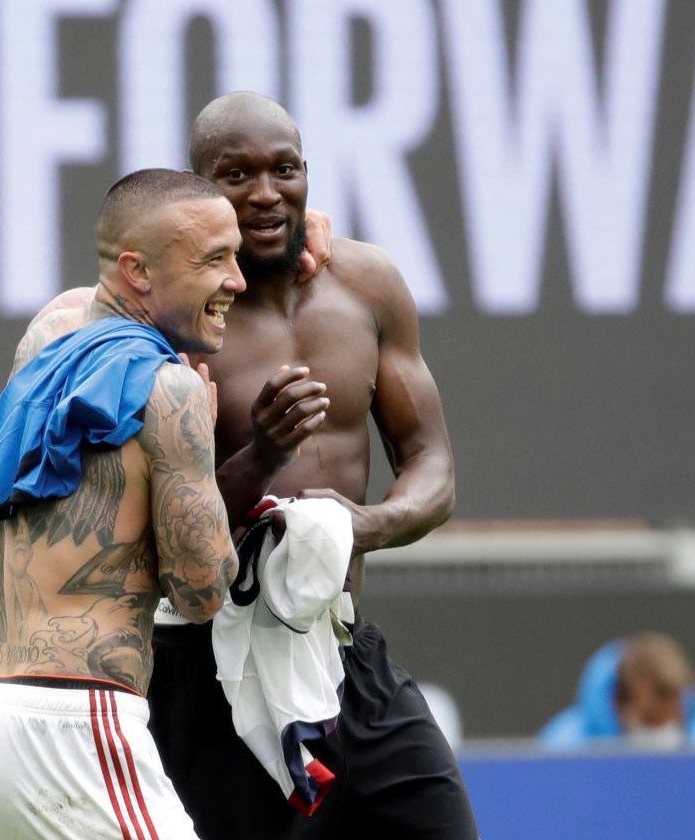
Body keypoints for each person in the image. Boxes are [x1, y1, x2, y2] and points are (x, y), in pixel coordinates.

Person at [149, 92, 476, 840]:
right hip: (213, 668)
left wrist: (370, 524)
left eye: (284, 169)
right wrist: (260, 453)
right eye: (236, 175)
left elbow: (431, 464)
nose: (265, 193)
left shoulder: (367, 285)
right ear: (198, 191)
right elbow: (161, 535)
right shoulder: (172, 324)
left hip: (344, 649)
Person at [0, 168, 245, 840]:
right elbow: (202, 596)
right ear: (138, 271)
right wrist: (207, 468)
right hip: (78, 731)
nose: (239, 281)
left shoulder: (49, 332)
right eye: (215, 261)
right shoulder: (172, 394)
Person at [539, 633, 695, 750]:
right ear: (621, 701)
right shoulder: (562, 746)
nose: (660, 730)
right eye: (650, 719)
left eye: (671, 719)